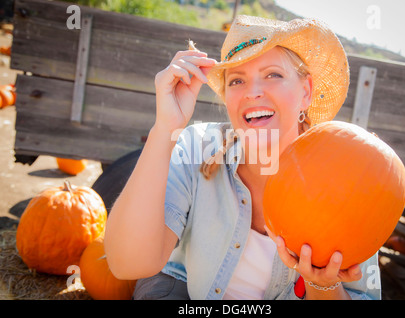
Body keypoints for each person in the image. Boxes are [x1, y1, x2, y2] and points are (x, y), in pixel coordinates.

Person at [104, 15, 381, 300]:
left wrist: (323, 285)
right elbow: (127, 264)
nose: (253, 92)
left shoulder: (343, 179)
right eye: (237, 80)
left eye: (273, 74)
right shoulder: (197, 146)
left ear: (306, 92)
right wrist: (165, 128)